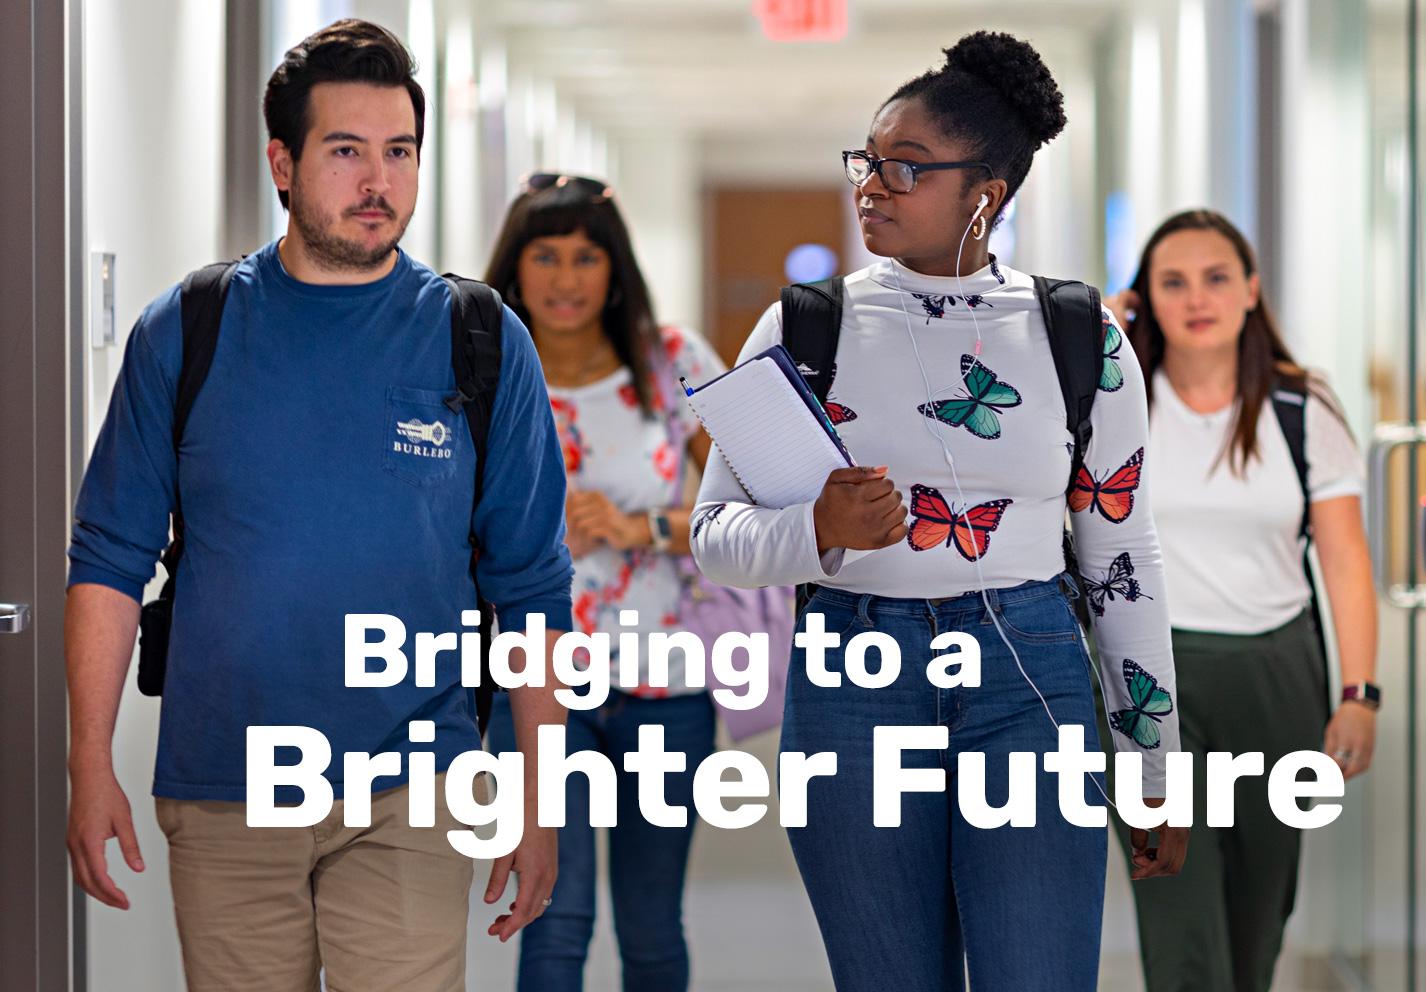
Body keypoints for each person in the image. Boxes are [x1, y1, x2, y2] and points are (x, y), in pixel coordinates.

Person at [64, 20, 572, 991]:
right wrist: (90, 762)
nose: (378, 180)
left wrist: (538, 794)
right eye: (346, 151)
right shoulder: (188, 328)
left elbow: (533, 587)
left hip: (412, 779)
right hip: (227, 786)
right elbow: (108, 559)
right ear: (283, 164)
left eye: (399, 152)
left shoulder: (479, 338)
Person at [692, 30, 1187, 992]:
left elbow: (1121, 551)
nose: (870, 186)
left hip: (1027, 668)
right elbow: (717, 536)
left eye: (905, 169)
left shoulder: (1077, 332)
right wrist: (817, 534)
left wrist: (1152, 755)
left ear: (985, 194)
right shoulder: (806, 325)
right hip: (853, 675)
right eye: (867, 162)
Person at [1102, 208, 1378, 992]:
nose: (1198, 298)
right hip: (1150, 682)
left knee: (1260, 919)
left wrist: (1359, 695)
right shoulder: (1114, 402)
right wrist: (1102, 333)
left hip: (1275, 676)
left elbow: (1346, 560)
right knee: (1180, 920)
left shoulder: (1302, 408)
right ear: (1143, 298)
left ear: (1251, 290)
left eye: (1217, 278)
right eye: (1173, 282)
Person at [482, 173, 726, 992]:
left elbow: (756, 519)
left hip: (669, 684)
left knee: (653, 926)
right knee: (554, 915)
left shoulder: (673, 364)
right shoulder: (485, 372)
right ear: (515, 267)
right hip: (539, 685)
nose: (565, 278)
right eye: (544, 256)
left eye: (586, 257)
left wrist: (642, 528)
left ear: (614, 269)